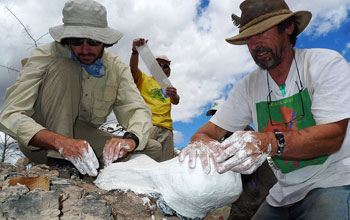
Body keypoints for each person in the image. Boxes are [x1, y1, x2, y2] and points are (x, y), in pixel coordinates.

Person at [179, 0, 350, 219]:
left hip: (333, 181)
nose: (255, 44)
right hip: (283, 193)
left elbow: (332, 137)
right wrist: (203, 147)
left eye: (261, 32)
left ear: (288, 28)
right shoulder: (248, 87)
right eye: (249, 37)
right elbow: (204, 134)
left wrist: (267, 142)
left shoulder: (325, 64)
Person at [0, 0, 156, 177]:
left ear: (105, 41)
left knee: (152, 149)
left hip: (82, 138)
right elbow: (10, 114)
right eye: (76, 41)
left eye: (93, 41)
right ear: (67, 39)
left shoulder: (117, 67)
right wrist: (60, 142)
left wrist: (131, 139)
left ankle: (93, 170)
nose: (84, 49)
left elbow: (136, 109)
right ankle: (61, 164)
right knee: (66, 68)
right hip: (42, 140)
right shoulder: (46, 55)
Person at [206, 99, 276, 220]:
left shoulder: (242, 134)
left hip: (256, 194)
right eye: (214, 116)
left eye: (219, 115)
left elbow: (244, 170)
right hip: (258, 192)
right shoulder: (230, 134)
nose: (215, 120)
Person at [129, 38, 180, 162]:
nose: (162, 68)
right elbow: (133, 69)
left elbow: (176, 101)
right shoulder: (144, 79)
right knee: (143, 159)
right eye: (158, 65)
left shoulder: (169, 86)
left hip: (167, 130)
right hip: (148, 125)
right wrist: (135, 52)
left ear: (169, 71)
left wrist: (175, 95)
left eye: (166, 66)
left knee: (165, 162)